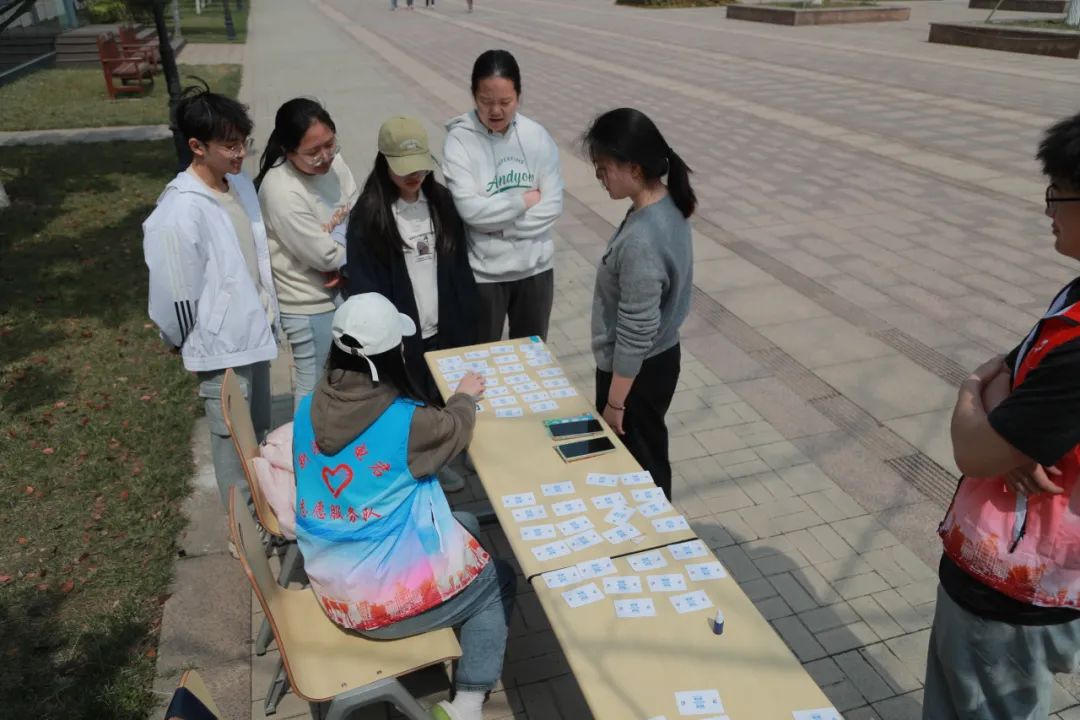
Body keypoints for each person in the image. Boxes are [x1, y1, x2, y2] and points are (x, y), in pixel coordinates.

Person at [293, 293, 515, 720]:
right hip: (376, 605)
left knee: (465, 522)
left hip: (328, 573)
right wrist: (464, 396)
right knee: (497, 578)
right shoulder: (407, 421)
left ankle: (450, 637)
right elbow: (454, 429)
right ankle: (468, 704)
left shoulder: (307, 406)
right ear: (392, 357)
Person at [925, 112, 1080, 720]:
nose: (1048, 211)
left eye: (1057, 193)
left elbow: (975, 450)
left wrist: (971, 393)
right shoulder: (1074, 297)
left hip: (1018, 585)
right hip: (1020, 572)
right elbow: (1013, 378)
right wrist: (1012, 434)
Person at [143, 82, 278, 512]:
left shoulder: (237, 185)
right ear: (197, 147)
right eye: (230, 145)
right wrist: (179, 338)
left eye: (243, 142)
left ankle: (266, 513)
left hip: (255, 331)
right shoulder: (180, 209)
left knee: (257, 433)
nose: (241, 153)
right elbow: (173, 292)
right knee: (232, 444)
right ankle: (244, 530)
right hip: (220, 347)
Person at [347, 116, 478, 494]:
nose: (414, 176)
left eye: (420, 167)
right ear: (384, 162)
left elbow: (459, 267)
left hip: (444, 324)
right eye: (404, 169)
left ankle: (448, 452)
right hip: (403, 334)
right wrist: (386, 337)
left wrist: (467, 320)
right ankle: (422, 466)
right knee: (409, 405)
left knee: (441, 397)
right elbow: (365, 286)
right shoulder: (369, 215)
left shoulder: (441, 202)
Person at [584, 108, 695, 502]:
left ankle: (655, 535)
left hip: (635, 374)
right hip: (657, 360)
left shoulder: (643, 238)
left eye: (604, 169)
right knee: (646, 461)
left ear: (633, 168)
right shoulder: (667, 204)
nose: (600, 178)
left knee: (637, 474)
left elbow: (636, 330)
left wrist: (615, 403)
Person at [443, 49, 564, 343]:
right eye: (486, 101)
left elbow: (552, 204)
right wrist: (523, 202)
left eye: (505, 102)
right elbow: (471, 212)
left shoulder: (537, 137)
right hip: (485, 276)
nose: (496, 111)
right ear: (474, 96)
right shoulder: (459, 141)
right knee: (482, 359)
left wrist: (499, 227)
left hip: (535, 270)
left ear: (518, 96)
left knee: (532, 357)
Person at [256, 98, 358, 407]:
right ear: (288, 151)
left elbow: (358, 211)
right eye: (313, 152)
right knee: (313, 384)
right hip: (308, 304)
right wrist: (342, 253)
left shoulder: (335, 165)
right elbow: (326, 257)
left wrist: (341, 247)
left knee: (338, 382)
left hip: (339, 294)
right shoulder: (281, 191)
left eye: (329, 144)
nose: (325, 156)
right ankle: (304, 438)